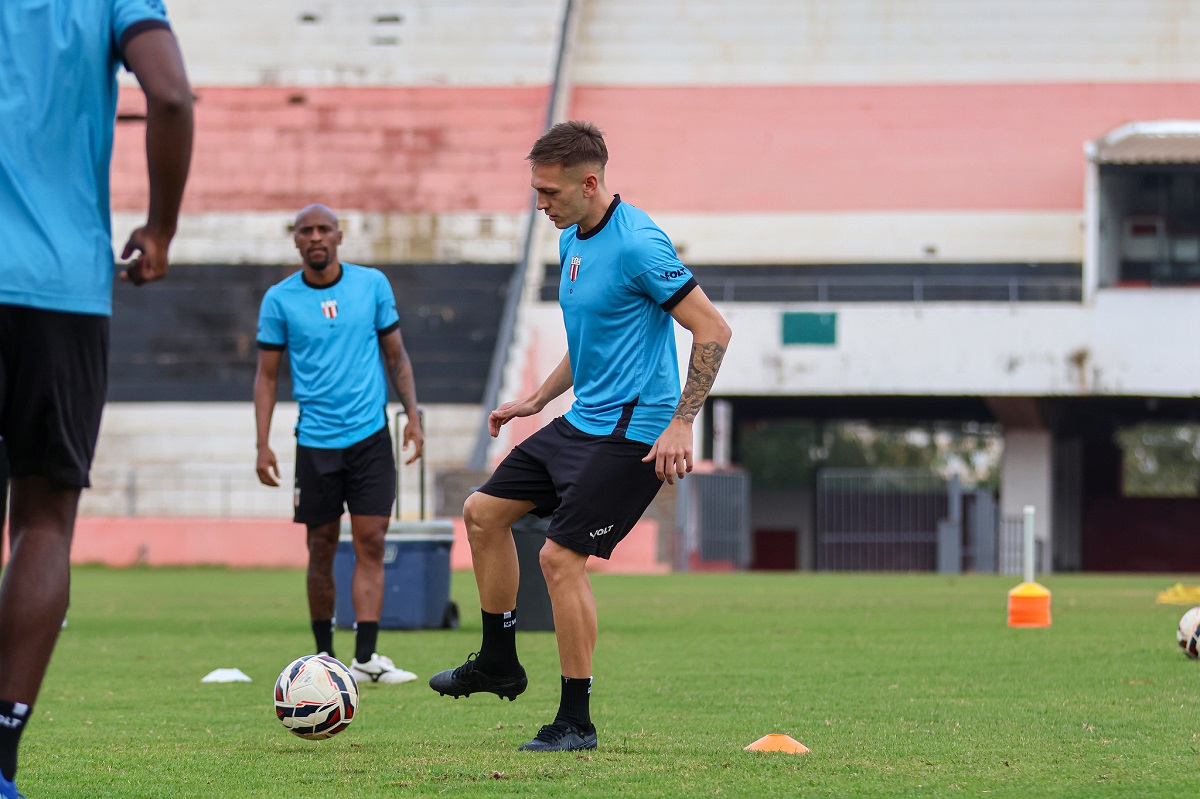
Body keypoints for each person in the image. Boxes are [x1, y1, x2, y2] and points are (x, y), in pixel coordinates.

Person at [429, 121, 732, 751]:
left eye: (549, 193)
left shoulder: (640, 245)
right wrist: (535, 400)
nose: (541, 204)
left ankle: (575, 721)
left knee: (559, 559)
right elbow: (591, 338)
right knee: (483, 513)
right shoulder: (572, 238)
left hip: (635, 429)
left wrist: (682, 421)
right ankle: (498, 661)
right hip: (583, 419)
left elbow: (712, 330)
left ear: (589, 183)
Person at [0, 2, 194, 796]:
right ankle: (2, 754)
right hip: (61, 290)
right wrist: (161, 227)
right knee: (44, 520)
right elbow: (172, 95)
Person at [254, 204, 425, 686]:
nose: (315, 237)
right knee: (320, 546)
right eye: (305, 230)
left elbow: (397, 356)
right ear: (295, 240)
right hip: (315, 443)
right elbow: (267, 376)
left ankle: (366, 659)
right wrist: (261, 443)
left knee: (371, 540)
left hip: (370, 438)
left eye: (323, 229)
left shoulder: (371, 285)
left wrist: (412, 416)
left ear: (339, 236)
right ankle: (325, 660)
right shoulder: (279, 299)